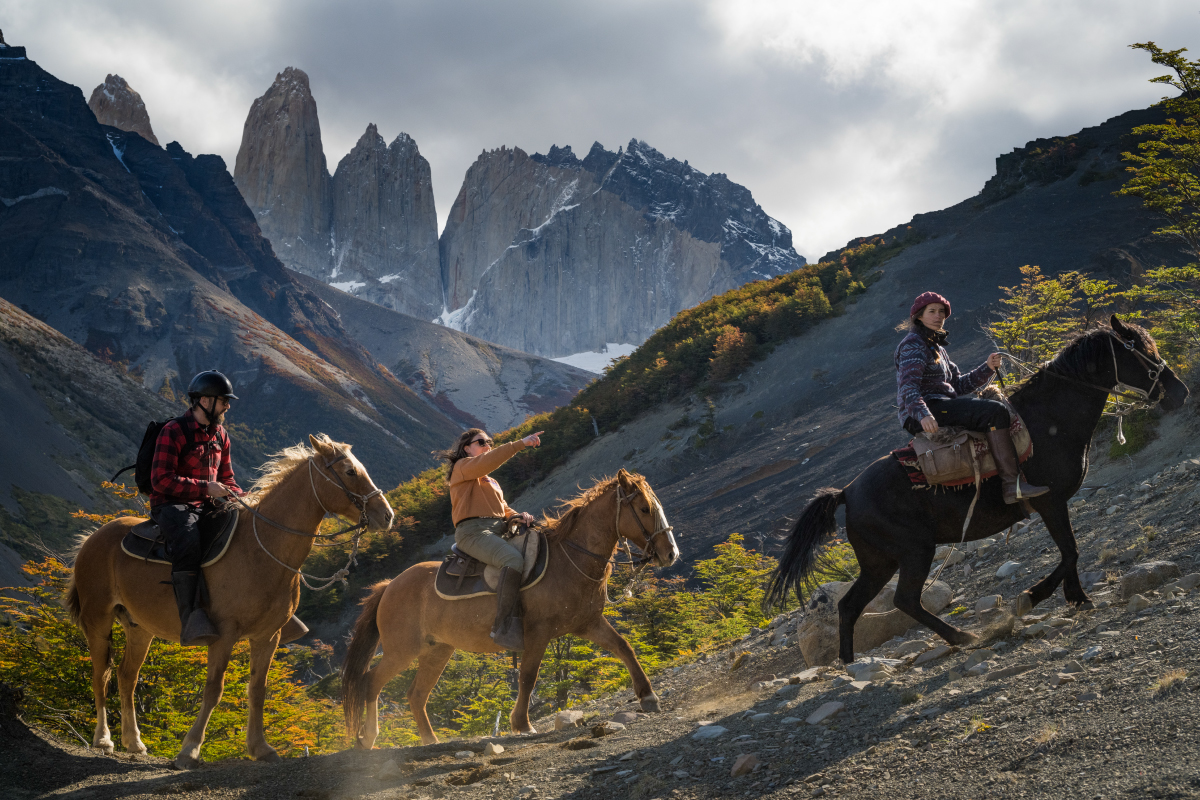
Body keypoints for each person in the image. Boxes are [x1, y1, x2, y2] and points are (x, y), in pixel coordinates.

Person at [896, 292, 1048, 504]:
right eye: (932, 311)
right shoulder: (913, 343)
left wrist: (987, 368)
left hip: (941, 405)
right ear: (919, 316)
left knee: (995, 408)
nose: (938, 316)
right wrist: (923, 414)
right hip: (925, 411)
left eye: (942, 312)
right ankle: (1012, 486)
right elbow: (908, 386)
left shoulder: (937, 347)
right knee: (995, 412)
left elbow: (958, 385)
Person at [149, 370, 243, 646]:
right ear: (203, 400)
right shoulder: (174, 431)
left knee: (241, 529)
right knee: (189, 539)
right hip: (171, 505)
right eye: (223, 400)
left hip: (206, 503)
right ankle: (191, 618)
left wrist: (241, 496)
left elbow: (226, 478)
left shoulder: (221, 434)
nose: (227, 405)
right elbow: (161, 480)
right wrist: (205, 488)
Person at [440, 428, 544, 651]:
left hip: (500, 529)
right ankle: (504, 625)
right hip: (473, 532)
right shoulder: (462, 467)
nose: (487, 445)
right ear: (466, 448)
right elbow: (487, 462)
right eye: (481, 442)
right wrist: (520, 444)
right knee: (513, 561)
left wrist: (517, 515)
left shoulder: (491, 481)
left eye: (489, 442)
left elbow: (503, 508)